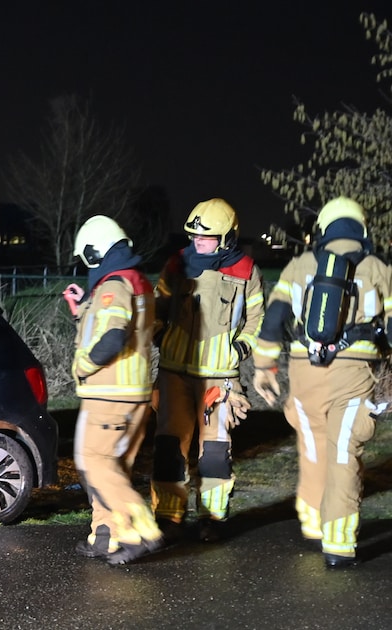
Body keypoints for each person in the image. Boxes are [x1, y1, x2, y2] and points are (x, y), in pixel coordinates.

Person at [252, 197, 392, 569]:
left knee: (312, 445)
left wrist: (264, 366)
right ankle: (339, 541)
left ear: (323, 229)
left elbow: (274, 318)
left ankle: (313, 518)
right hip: (354, 373)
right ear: (362, 228)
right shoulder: (377, 268)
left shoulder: (299, 265)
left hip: (305, 372)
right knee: (343, 451)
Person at [150, 198, 264, 543]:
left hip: (220, 379)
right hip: (175, 374)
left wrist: (240, 348)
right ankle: (168, 516)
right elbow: (157, 306)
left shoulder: (245, 270)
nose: (197, 241)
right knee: (170, 448)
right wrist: (160, 335)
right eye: (194, 235)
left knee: (215, 452)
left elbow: (256, 318)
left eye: (206, 236)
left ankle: (212, 519)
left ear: (227, 237)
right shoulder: (176, 264)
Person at [66, 215, 165, 565]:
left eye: (87, 257)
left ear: (96, 252)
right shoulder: (136, 281)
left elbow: (112, 337)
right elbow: (113, 324)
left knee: (93, 462)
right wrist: (83, 309)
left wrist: (83, 365)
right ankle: (106, 535)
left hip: (110, 392)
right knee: (113, 469)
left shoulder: (115, 284)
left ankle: (141, 528)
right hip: (132, 392)